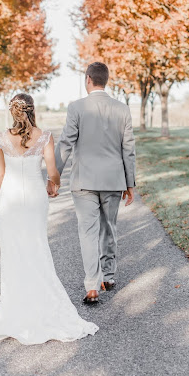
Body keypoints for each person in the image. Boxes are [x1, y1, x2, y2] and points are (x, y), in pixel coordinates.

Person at [0, 93, 98, 345]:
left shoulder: (2, 138)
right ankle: (41, 306)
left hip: (9, 200)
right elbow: (53, 172)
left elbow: (0, 174)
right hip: (36, 198)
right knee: (36, 248)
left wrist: (7, 195)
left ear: (12, 112)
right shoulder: (45, 137)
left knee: (13, 252)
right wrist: (53, 186)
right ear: (32, 110)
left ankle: (14, 312)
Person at [50, 62, 136, 305]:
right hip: (113, 180)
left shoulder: (76, 107)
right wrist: (130, 184)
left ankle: (92, 286)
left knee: (87, 233)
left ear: (88, 79)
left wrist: (54, 177)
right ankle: (108, 276)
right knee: (109, 227)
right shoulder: (123, 109)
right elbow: (128, 149)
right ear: (105, 80)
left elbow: (66, 143)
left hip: (84, 181)